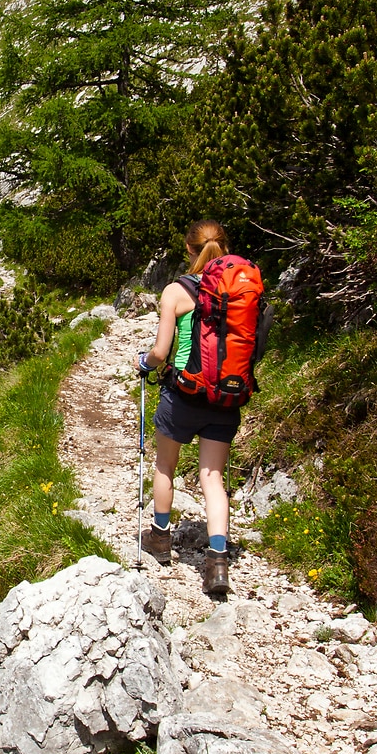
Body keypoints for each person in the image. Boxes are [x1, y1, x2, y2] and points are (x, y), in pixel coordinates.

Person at [138, 220, 240, 598]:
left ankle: (160, 537)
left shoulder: (177, 291)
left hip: (184, 393)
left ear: (188, 249)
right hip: (225, 397)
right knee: (212, 478)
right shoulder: (240, 289)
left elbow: (161, 351)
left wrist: (144, 363)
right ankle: (218, 562)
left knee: (165, 464)